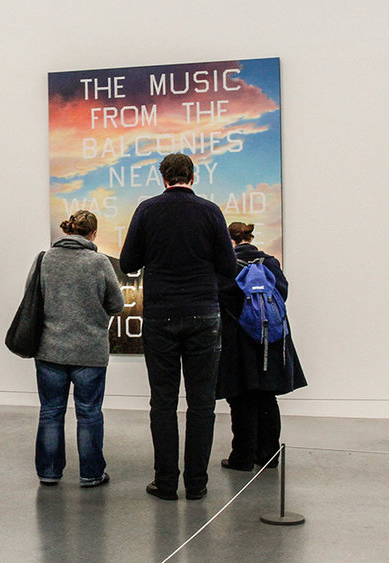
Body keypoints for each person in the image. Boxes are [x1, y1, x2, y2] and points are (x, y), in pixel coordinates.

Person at [119, 153, 236, 501]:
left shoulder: (148, 209)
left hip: (160, 316)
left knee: (164, 403)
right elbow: (228, 268)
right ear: (193, 176)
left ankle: (166, 482)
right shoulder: (211, 211)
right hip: (203, 314)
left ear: (163, 178)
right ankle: (197, 484)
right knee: (202, 404)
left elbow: (128, 263)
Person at [32, 210, 124, 487]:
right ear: (93, 234)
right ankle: (91, 473)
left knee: (50, 411)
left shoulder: (46, 259)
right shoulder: (99, 262)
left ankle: (49, 472)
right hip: (90, 351)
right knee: (89, 413)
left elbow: (34, 300)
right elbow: (117, 304)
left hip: (49, 349)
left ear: (68, 231)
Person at [216, 222, 307, 471]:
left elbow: (222, 298)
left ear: (229, 240)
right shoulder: (270, 262)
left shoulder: (226, 265)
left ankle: (242, 458)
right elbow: (283, 293)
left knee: (242, 399)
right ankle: (269, 456)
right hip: (272, 339)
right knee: (267, 398)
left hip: (239, 341)